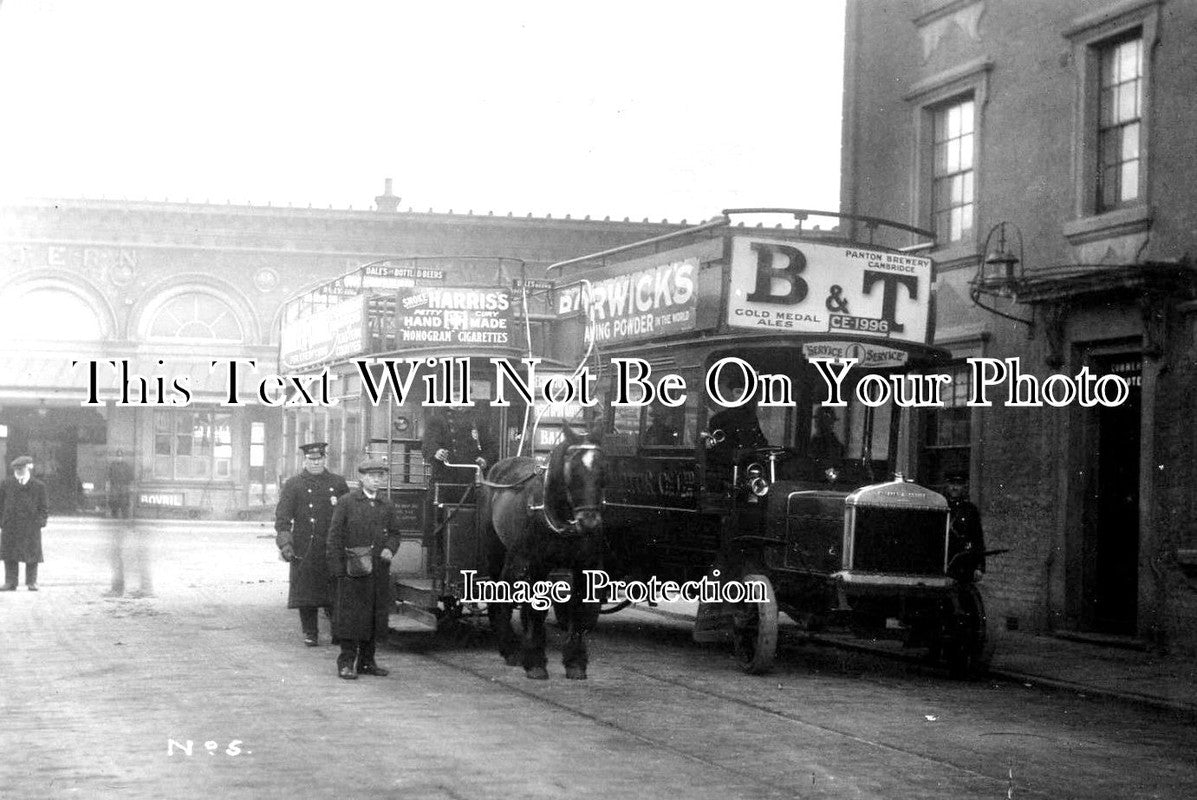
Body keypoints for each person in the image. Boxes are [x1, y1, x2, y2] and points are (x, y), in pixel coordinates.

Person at [326, 458, 401, 680]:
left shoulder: (386, 504)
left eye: (380, 476)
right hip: (352, 571)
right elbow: (334, 537)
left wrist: (390, 548)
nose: (376, 481)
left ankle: (367, 662)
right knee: (351, 619)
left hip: (377, 571)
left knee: (373, 617)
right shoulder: (346, 502)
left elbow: (396, 533)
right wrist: (338, 570)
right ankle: (346, 663)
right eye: (371, 476)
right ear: (361, 478)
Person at [275, 442, 349, 646]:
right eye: (311, 459)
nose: (315, 463)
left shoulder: (338, 483)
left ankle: (338, 631)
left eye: (319, 459)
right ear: (304, 460)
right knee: (306, 593)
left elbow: (347, 516)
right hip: (304, 548)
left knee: (335, 590)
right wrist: (285, 544)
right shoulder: (293, 484)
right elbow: (282, 519)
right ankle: (310, 632)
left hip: (332, 547)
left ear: (325, 459)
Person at [105, 449, 152, 598]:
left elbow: (130, 481)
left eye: (120, 455)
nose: (119, 458)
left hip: (123, 492)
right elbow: (109, 479)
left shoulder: (126, 467)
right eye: (117, 455)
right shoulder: (113, 466)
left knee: (126, 554)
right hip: (116, 491)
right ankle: (142, 587)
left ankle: (138, 588)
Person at [0, 456, 49, 591]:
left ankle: (31, 582)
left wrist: (41, 521)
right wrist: (2, 521)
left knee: (32, 553)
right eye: (16, 469)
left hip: (31, 525)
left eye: (21, 468)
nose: (19, 471)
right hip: (11, 525)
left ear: (28, 467)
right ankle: (10, 581)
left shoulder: (39, 486)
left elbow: (43, 507)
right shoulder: (6, 484)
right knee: (9, 553)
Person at [422, 406, 494, 489]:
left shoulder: (477, 419)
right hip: (444, 476)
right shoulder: (437, 418)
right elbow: (428, 443)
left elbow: (490, 446)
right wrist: (436, 451)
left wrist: (485, 459)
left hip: (471, 475)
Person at [944, 471, 986, 582]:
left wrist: (979, 567)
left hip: (963, 562)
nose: (954, 488)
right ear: (947, 486)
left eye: (958, 484)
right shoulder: (941, 506)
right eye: (951, 484)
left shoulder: (970, 510)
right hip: (944, 560)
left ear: (964, 487)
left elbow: (978, 539)